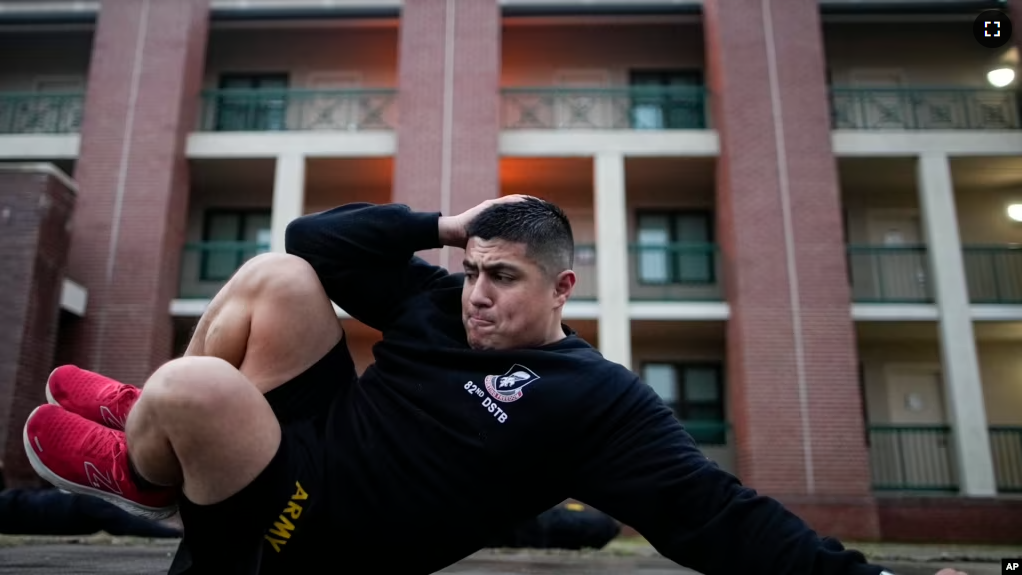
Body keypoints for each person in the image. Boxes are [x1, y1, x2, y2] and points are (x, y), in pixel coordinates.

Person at [22, 196, 967, 575]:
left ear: (560, 287)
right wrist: (447, 223)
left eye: (503, 277)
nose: (477, 295)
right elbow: (318, 240)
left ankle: (154, 452)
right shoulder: (440, 299)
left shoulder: (592, 396)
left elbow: (708, 510)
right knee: (280, 273)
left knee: (195, 387)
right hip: (300, 440)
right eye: (474, 271)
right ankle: (153, 444)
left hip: (322, 528)